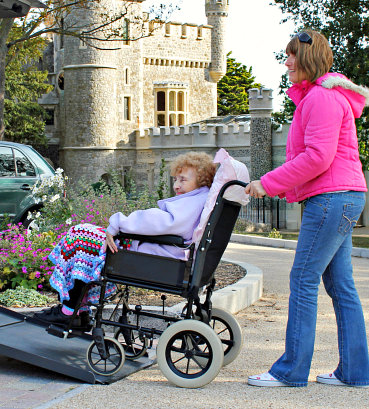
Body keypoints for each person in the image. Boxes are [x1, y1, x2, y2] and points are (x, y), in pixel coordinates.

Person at [246, 29, 369, 388]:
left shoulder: (322, 98)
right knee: (341, 283)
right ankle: (356, 371)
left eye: (291, 55)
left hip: (332, 199)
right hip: (341, 197)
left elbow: (317, 157)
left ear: (308, 59)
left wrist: (266, 183)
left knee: (303, 280)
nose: (286, 62)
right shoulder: (320, 98)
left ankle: (291, 371)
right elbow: (317, 159)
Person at [34, 151, 216, 327]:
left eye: (183, 180)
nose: (176, 185)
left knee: (80, 235)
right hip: (159, 251)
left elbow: (156, 222)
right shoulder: (198, 200)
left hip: (154, 255)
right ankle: (76, 310)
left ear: (202, 181)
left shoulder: (191, 204)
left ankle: (69, 311)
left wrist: (118, 223)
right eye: (176, 179)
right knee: (83, 235)